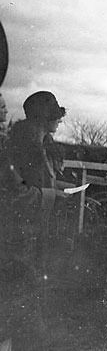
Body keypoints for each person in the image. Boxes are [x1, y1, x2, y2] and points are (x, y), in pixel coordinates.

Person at [0, 91, 69, 281]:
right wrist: (52, 195)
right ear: (43, 118)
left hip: (35, 238)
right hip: (19, 244)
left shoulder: (43, 145)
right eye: (55, 115)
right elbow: (16, 192)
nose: (59, 120)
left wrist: (61, 188)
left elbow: (40, 181)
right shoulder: (21, 149)